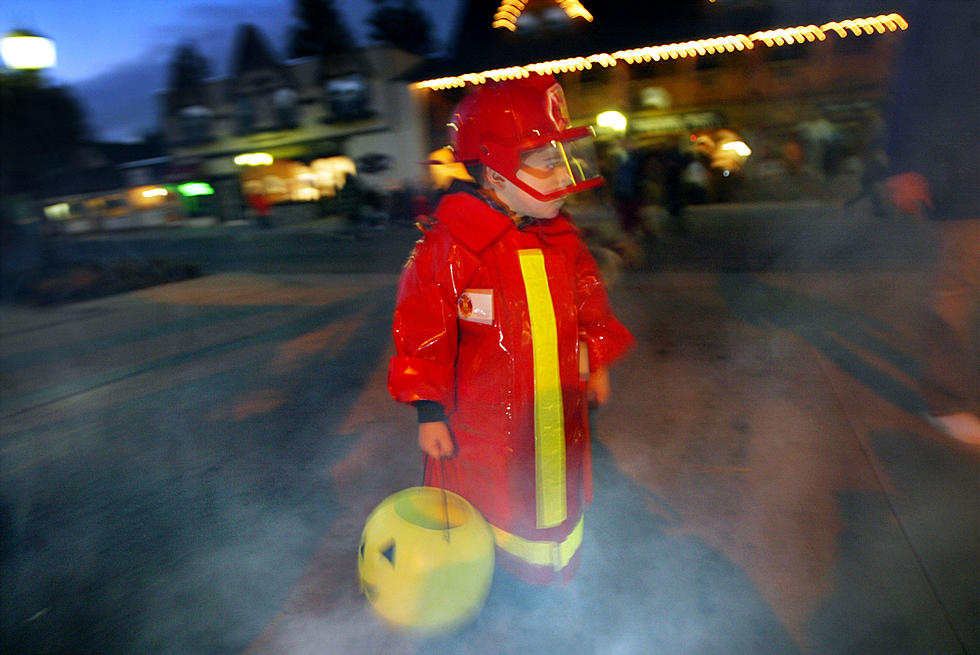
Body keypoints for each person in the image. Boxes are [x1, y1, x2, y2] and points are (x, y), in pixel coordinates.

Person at [387, 75, 635, 584]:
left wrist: (599, 360)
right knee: (496, 503)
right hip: (484, 427)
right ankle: (495, 581)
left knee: (554, 493)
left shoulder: (563, 237)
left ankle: (554, 581)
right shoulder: (455, 243)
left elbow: (590, 302)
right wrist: (429, 412)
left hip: (558, 408)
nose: (564, 177)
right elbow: (422, 328)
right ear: (495, 175)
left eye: (563, 160)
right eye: (547, 165)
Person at [883, 0, 979, 446]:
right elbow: (911, 90)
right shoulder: (944, 13)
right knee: (957, 285)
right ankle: (947, 399)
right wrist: (905, 165)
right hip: (964, 173)